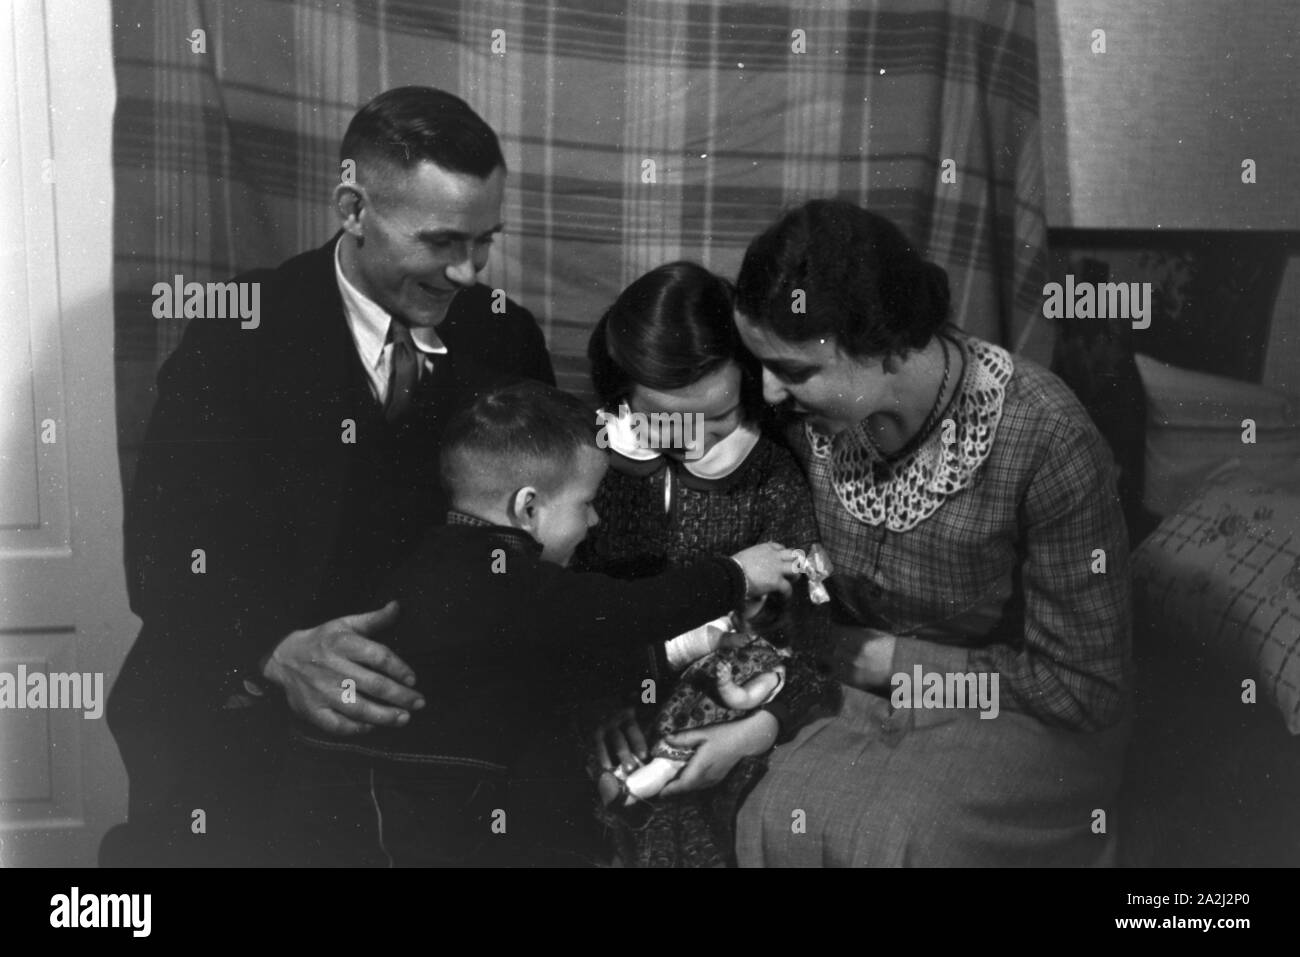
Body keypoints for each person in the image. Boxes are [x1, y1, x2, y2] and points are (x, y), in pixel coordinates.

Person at [104, 87, 555, 866]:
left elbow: (550, 529)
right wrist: (276, 652)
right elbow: (163, 550)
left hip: (431, 712)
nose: (466, 270)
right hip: (248, 702)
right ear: (353, 208)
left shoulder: (504, 334)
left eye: (486, 241)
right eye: (442, 239)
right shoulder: (235, 332)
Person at [720, 200, 1133, 866]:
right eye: (761, 363)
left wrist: (882, 659)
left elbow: (1083, 687)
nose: (766, 392)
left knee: (904, 837)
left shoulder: (1047, 436)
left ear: (887, 346)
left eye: (794, 371)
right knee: (769, 811)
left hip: (1022, 714)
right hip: (853, 688)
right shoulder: (804, 423)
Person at [276, 381, 801, 866]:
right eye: (588, 503)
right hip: (421, 802)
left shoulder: (428, 559)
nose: (594, 522)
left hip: (347, 782)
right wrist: (735, 574)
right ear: (528, 508)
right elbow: (627, 611)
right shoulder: (509, 577)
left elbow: (557, 660)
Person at [576, 262, 840, 867]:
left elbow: (813, 645)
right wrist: (594, 699)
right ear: (622, 397)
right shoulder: (588, 465)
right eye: (668, 419)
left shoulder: (770, 477)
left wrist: (757, 727)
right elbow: (559, 610)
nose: (695, 442)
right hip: (608, 702)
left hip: (734, 710)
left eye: (719, 416)